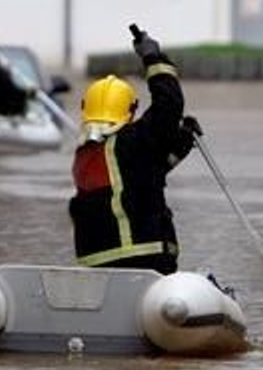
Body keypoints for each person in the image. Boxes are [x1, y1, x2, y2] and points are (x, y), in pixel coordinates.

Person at [68, 25, 201, 274]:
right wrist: (153, 58)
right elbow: (169, 104)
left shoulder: (86, 151)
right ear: (129, 110)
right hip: (145, 257)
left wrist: (178, 146)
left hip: (95, 263)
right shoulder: (132, 139)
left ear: (86, 108)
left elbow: (140, 180)